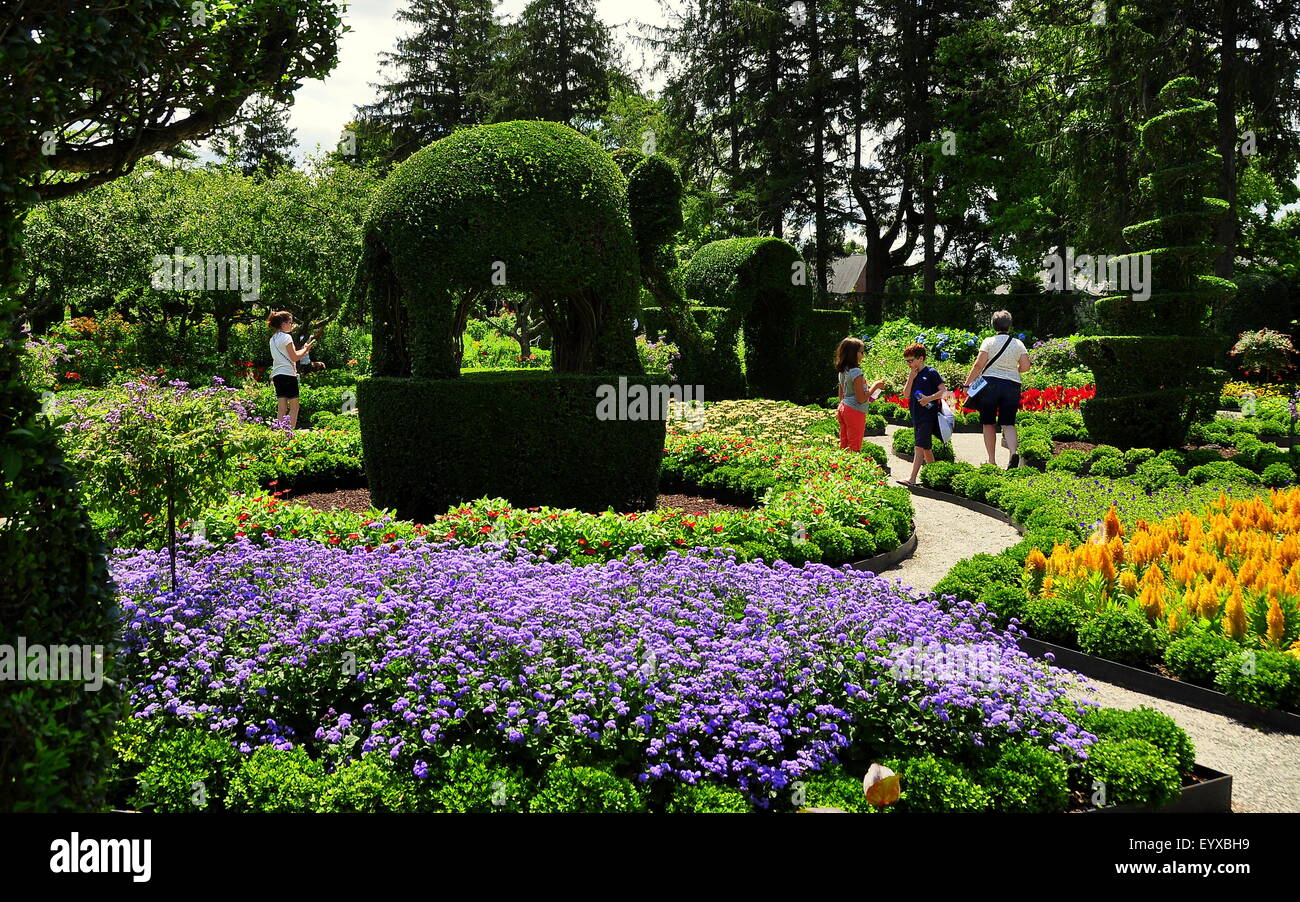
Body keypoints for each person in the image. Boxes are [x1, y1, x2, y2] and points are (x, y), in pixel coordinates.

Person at [963, 310, 1031, 468]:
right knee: (1008, 423)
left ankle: (992, 460)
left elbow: (979, 365)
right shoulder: (1018, 344)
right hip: (1012, 385)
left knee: (988, 423)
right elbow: (1026, 366)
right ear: (1010, 325)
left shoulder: (988, 341)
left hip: (990, 384)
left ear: (993, 325)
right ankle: (1013, 453)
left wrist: (967, 384)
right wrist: (1014, 370)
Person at [899, 342, 946, 487]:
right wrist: (910, 378)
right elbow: (906, 395)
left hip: (928, 416)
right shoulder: (913, 375)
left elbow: (943, 391)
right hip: (916, 415)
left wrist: (928, 398)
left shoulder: (931, 372)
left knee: (919, 446)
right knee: (926, 447)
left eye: (911, 361)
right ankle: (934, 476)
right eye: (907, 361)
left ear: (921, 358)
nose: (909, 364)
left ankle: (912, 479)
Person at [835, 337, 887, 452]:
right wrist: (876, 385)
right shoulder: (856, 372)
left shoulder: (843, 370)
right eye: (861, 352)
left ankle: (842, 467)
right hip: (854, 411)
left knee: (844, 444)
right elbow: (861, 399)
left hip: (843, 408)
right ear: (853, 353)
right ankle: (852, 468)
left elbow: (841, 395)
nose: (863, 355)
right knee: (854, 447)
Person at [268, 311, 316, 429]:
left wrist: (304, 350)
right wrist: (305, 349)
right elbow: (294, 357)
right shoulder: (286, 337)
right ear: (283, 323)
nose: (291, 325)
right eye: (290, 322)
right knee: (294, 407)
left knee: (282, 407)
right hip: (288, 374)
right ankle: (289, 435)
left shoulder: (272, 339)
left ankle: (278, 434)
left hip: (277, 375)